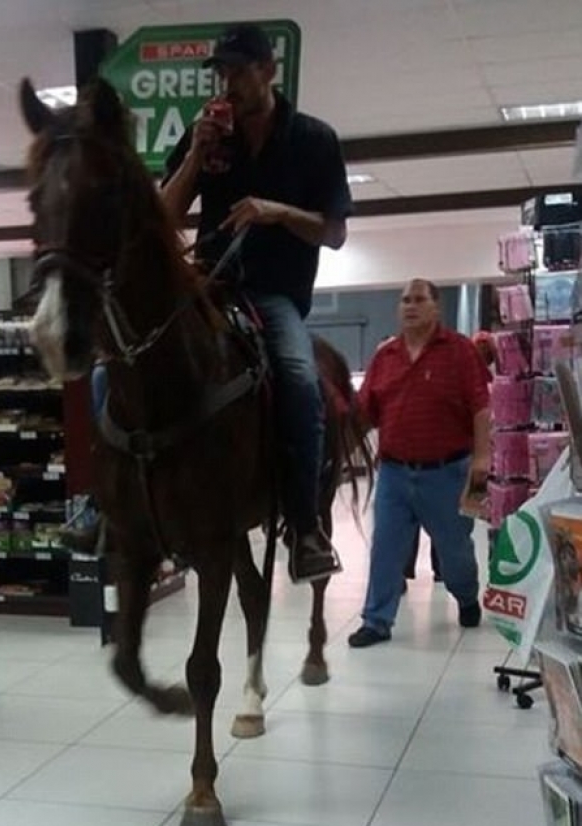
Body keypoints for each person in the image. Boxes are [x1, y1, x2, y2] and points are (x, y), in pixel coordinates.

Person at [160, 22, 352, 583]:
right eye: (221, 72)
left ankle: (305, 525)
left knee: (299, 377)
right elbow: (164, 217)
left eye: (238, 71)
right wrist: (195, 156)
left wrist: (277, 212)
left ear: (269, 70)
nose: (228, 83)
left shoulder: (314, 139)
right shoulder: (206, 135)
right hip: (208, 285)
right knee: (123, 361)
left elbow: (334, 232)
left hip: (274, 293)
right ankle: (116, 507)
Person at [348, 278, 491, 647]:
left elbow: (481, 407)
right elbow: (364, 413)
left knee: (455, 551)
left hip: (447, 474)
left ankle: (466, 596)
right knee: (385, 547)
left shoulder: (459, 351)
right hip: (394, 473)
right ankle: (376, 620)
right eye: (405, 300)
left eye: (418, 299)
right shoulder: (385, 357)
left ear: (435, 307)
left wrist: (482, 457)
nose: (410, 306)